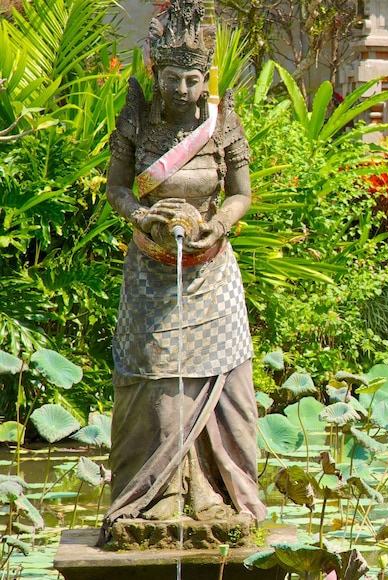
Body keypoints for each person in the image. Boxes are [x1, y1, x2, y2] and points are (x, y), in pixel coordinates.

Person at [100, 0, 266, 538]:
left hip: (211, 271)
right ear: (156, 74)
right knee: (150, 376)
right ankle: (155, 494)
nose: (181, 89)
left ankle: (214, 494)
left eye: (193, 79)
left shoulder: (222, 125)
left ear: (205, 79)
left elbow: (242, 194)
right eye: (172, 78)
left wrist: (220, 224)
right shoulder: (137, 122)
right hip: (150, 271)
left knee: (221, 380)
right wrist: (141, 216)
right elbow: (116, 188)